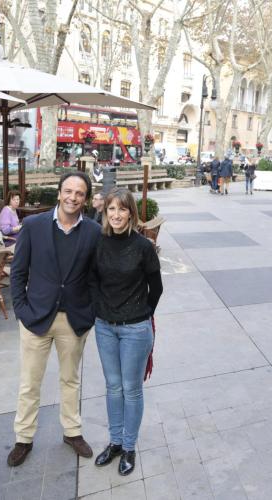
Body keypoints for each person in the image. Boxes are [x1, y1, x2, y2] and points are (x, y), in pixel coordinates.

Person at [7, 171, 101, 467]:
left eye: (80, 193)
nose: (73, 197)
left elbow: (96, 278)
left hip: (73, 321)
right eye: (68, 191)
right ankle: (24, 438)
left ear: (86, 199)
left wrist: (90, 312)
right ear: (59, 193)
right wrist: (21, 310)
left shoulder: (93, 232)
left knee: (70, 379)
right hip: (35, 319)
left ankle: (72, 432)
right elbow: (18, 272)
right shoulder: (33, 226)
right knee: (29, 383)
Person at [90, 188, 163, 476]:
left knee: (131, 389)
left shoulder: (143, 246)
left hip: (135, 329)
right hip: (105, 327)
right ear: (105, 212)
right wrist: (101, 308)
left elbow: (156, 288)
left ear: (131, 213)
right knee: (113, 386)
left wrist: (141, 312)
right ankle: (116, 442)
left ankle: (129, 446)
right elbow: (92, 281)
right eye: (111, 209)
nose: (116, 215)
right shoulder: (99, 242)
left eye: (122, 209)